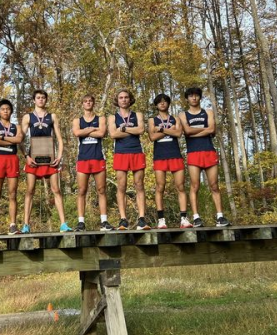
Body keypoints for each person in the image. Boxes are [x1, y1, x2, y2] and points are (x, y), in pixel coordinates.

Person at [20, 89, 72, 233]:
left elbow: (60, 139)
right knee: (30, 191)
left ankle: (63, 224)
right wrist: (26, 156)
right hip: (33, 158)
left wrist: (59, 157)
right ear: (34, 100)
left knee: (56, 189)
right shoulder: (28, 117)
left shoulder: (52, 116)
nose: (41, 100)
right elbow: (20, 140)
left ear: (46, 100)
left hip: (50, 158)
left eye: (43, 97)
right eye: (38, 97)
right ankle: (26, 225)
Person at [179, 87, 231, 227]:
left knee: (214, 185)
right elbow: (187, 131)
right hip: (193, 153)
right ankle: (196, 218)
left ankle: (220, 216)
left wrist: (196, 131)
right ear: (187, 99)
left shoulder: (208, 112)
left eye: (196, 96)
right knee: (195, 185)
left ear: (200, 97)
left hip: (209, 151)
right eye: (191, 96)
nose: (194, 98)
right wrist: (204, 130)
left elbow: (212, 129)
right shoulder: (183, 115)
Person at [147, 94, 193, 229]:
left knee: (180, 186)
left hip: (175, 155)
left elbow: (178, 133)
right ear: (156, 105)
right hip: (160, 156)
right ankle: (161, 220)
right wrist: (169, 130)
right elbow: (152, 136)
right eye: (159, 102)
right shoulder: (152, 120)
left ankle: (184, 219)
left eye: (165, 102)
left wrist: (161, 129)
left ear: (168, 104)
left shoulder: (176, 118)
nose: (162, 104)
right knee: (160, 187)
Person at [108, 89, 150, 230]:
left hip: (136, 151)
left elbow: (141, 130)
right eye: (121, 97)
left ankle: (142, 219)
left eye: (126, 97)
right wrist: (130, 130)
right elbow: (113, 134)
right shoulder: (112, 117)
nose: (124, 99)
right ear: (117, 100)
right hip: (121, 153)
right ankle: (123, 219)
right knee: (121, 186)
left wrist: (124, 129)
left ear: (130, 99)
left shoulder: (137, 114)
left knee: (139, 185)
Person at [72, 95, 113, 231]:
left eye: (90, 101)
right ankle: (81, 222)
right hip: (83, 158)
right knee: (82, 190)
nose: (88, 103)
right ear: (82, 104)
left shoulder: (100, 118)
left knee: (101, 190)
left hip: (98, 157)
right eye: (85, 101)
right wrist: (92, 129)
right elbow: (77, 132)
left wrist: (86, 132)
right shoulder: (77, 120)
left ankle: (104, 221)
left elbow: (102, 133)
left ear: (93, 103)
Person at [0, 99, 24, 235]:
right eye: (3, 109)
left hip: (12, 160)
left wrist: (2, 138)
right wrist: (10, 139)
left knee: (13, 194)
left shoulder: (17, 127)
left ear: (11, 111)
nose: (5, 111)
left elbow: (19, 139)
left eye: (8, 109)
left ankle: (13, 225)